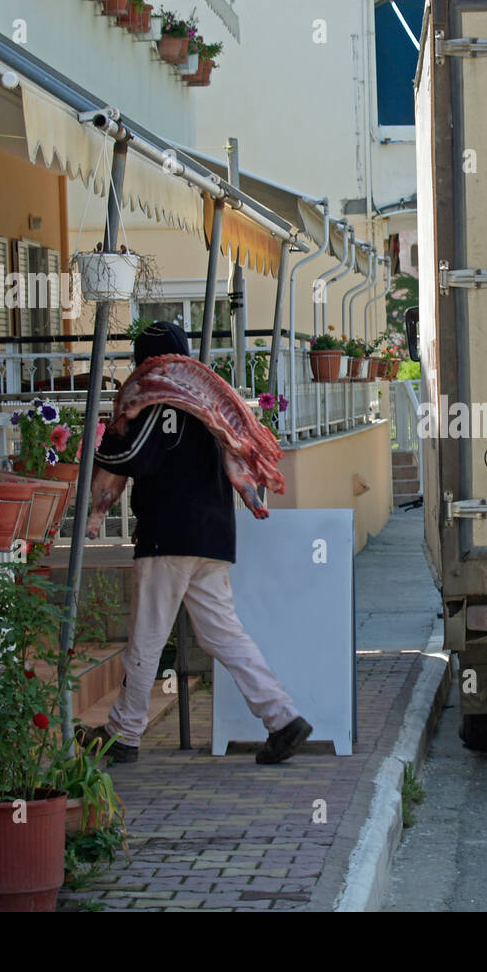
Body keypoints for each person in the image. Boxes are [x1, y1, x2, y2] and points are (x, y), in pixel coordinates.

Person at [76, 320, 311, 765]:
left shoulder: (158, 399)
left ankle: (123, 735)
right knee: (223, 634)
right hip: (213, 533)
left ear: (148, 360)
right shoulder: (208, 399)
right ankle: (283, 719)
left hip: (169, 533)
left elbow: (132, 457)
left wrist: (105, 437)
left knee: (146, 636)